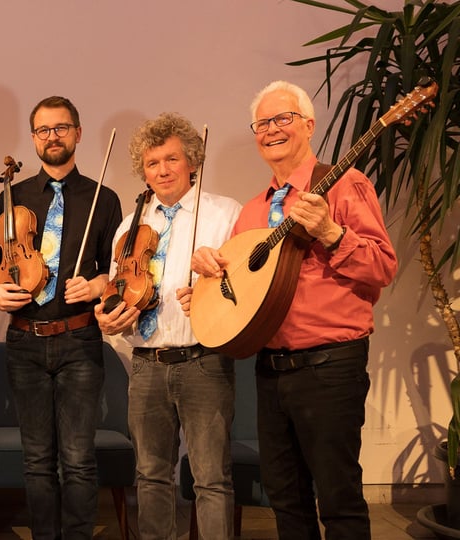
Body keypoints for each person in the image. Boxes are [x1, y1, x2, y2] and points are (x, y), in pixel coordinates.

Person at [190, 81, 397, 538]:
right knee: (285, 499)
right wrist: (205, 282)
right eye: (262, 123)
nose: (271, 130)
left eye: (282, 118)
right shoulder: (252, 212)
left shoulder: (345, 184)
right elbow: (240, 289)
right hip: (271, 368)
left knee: (338, 498)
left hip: (329, 366)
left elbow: (383, 266)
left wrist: (330, 232)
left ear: (308, 125)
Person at [0, 96, 121, 539]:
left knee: (78, 458)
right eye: (43, 130)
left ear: (77, 133)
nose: (52, 136)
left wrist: (97, 286)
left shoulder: (104, 198)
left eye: (61, 128)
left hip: (79, 339)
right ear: (33, 137)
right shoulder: (12, 196)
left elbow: (115, 274)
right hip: (24, 340)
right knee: (37, 459)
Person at [94, 113, 241, 539]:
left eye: (171, 159)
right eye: (152, 163)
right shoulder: (130, 225)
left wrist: (214, 289)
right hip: (146, 364)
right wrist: (111, 318)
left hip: (204, 362)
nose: (161, 170)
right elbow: (122, 293)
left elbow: (245, 287)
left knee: (212, 478)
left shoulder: (224, 212)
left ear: (192, 162)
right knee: (151, 475)